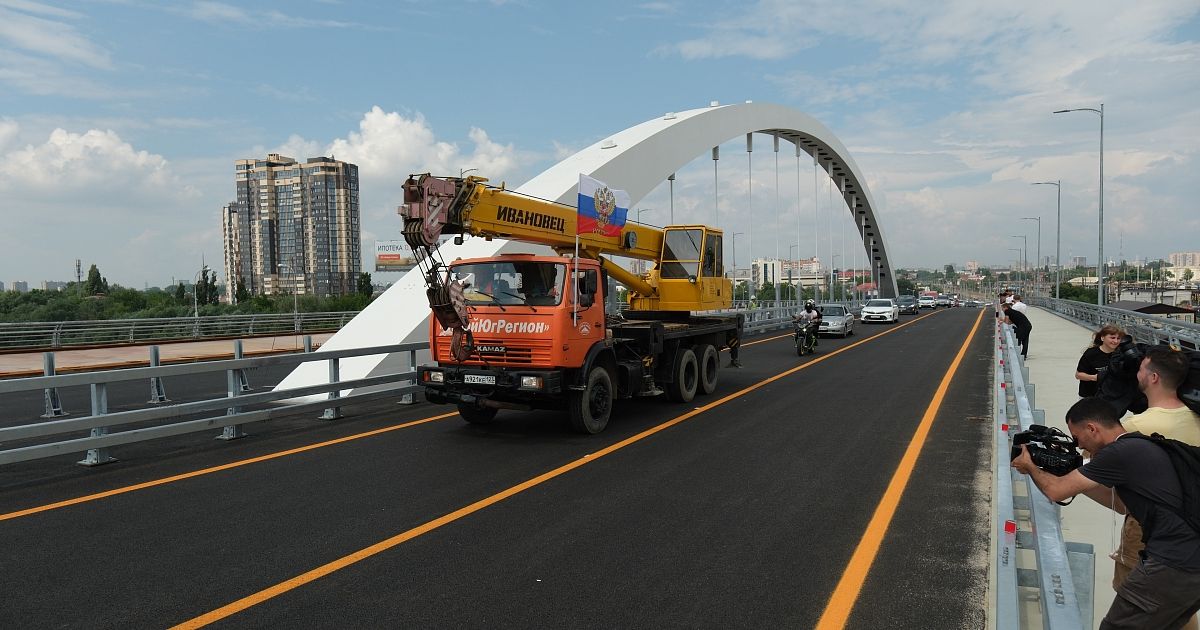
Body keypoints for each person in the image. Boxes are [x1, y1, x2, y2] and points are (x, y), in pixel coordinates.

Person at [1012, 397, 1200, 629]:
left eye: (1077, 438)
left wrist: (1029, 466)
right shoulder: (1139, 444)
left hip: (1171, 564)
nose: (1079, 446)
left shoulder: (1118, 453)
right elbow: (1121, 505)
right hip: (1190, 566)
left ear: (1092, 428)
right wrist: (1077, 480)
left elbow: (1055, 491)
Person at [1111, 346, 1200, 629]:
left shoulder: (1138, 426)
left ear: (1153, 378)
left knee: (1136, 603)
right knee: (1177, 610)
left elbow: (1110, 482)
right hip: (1190, 527)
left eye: (1141, 368)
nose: (1137, 372)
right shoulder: (1195, 418)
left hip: (1148, 526)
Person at [1076, 325, 1124, 397]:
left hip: (1111, 395)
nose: (1116, 341)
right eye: (1112, 338)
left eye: (1118, 338)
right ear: (1102, 338)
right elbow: (1078, 375)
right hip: (1090, 395)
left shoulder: (1121, 354)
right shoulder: (1091, 353)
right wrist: (1096, 377)